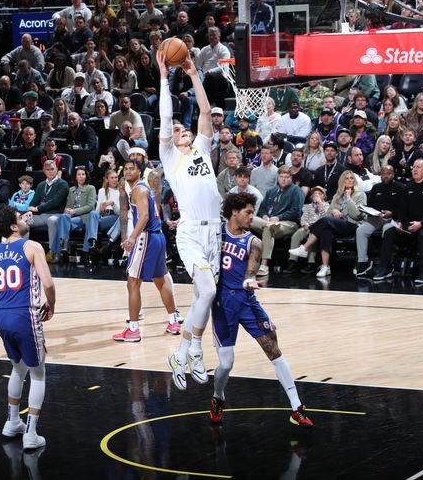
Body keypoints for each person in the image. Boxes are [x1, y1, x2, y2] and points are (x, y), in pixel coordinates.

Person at [210, 192, 314, 427]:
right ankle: (218, 397)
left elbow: (250, 273)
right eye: (248, 212)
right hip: (222, 304)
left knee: (273, 348)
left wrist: (249, 281)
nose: (251, 217)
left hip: (247, 302)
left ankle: (296, 408)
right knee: (226, 364)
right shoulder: (215, 234)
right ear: (234, 211)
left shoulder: (254, 242)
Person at [157, 48, 221, 392]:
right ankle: (191, 350)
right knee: (208, 290)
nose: (182, 131)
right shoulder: (170, 158)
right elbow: (167, 120)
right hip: (191, 233)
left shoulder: (201, 148)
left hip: (216, 233)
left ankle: (186, 352)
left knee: (202, 298)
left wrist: (194, 74)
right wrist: (166, 77)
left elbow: (207, 111)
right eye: (178, 130)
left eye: (184, 129)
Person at [0, 207, 55, 450]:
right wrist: (51, 304)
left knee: (17, 368)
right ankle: (31, 434)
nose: (25, 219)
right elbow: (48, 283)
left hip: (1, 316)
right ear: (14, 227)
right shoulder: (32, 246)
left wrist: (6, 290)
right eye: (20, 218)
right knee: (38, 374)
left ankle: (12, 422)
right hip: (25, 314)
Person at [112, 159, 182, 342]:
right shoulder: (142, 188)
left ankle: (133, 329)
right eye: (125, 169)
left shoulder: (139, 189)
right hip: (157, 237)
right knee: (161, 278)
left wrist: (132, 237)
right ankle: (174, 320)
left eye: (131, 169)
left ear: (139, 171)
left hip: (146, 237)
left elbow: (144, 216)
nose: (127, 172)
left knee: (133, 282)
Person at [289, 171, 367, 277]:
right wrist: (334, 212)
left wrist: (349, 198)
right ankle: (325, 267)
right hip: (338, 225)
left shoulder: (360, 195)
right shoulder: (337, 196)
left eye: (351, 178)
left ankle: (305, 248)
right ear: (342, 181)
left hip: (353, 225)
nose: (349, 180)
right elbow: (328, 213)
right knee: (326, 231)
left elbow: (356, 215)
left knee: (325, 221)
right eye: (347, 178)